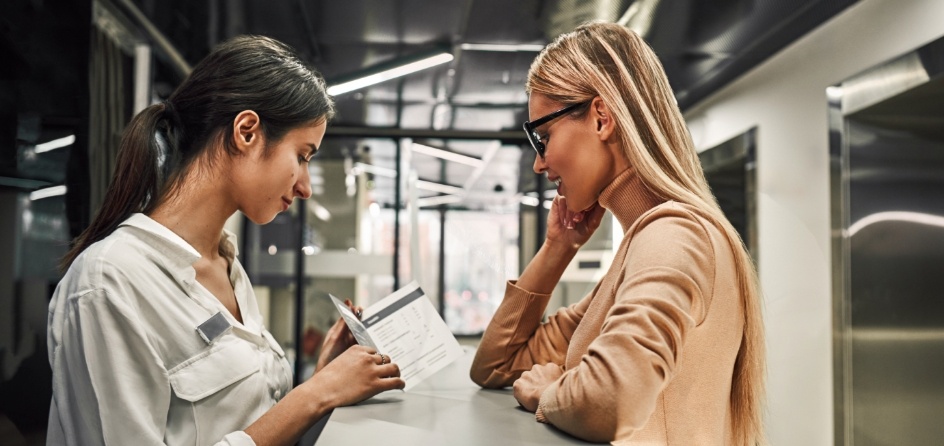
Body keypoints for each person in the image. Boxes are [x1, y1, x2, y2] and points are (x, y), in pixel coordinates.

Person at [47, 35, 404, 446]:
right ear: (247, 131)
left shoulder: (226, 265)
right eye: (303, 156)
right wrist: (314, 396)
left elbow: (244, 420)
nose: (305, 186)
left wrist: (326, 379)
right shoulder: (109, 284)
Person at [469, 22, 766, 446]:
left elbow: (612, 398)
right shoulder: (639, 250)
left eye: (544, 137)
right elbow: (496, 365)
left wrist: (547, 393)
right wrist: (558, 247)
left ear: (602, 118)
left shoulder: (674, 235)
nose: (540, 163)